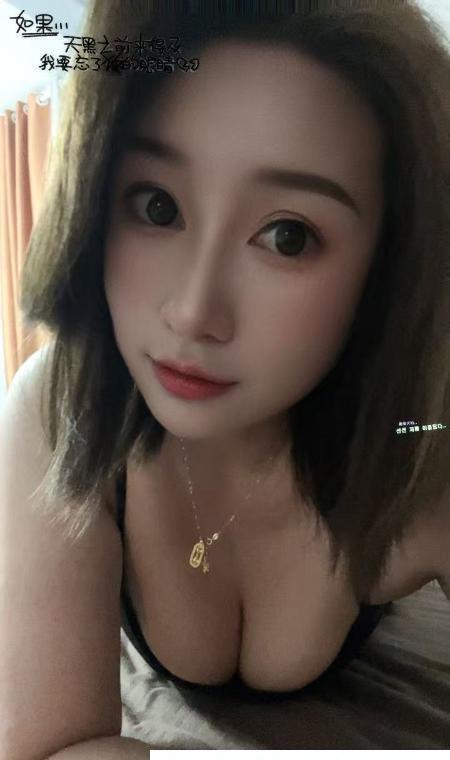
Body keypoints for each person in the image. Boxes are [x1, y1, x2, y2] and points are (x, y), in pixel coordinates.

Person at [1, 1, 449, 757]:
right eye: (157, 205)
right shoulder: (61, 405)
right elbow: (49, 748)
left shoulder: (422, 445)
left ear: (390, 264)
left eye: (288, 236)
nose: (192, 311)